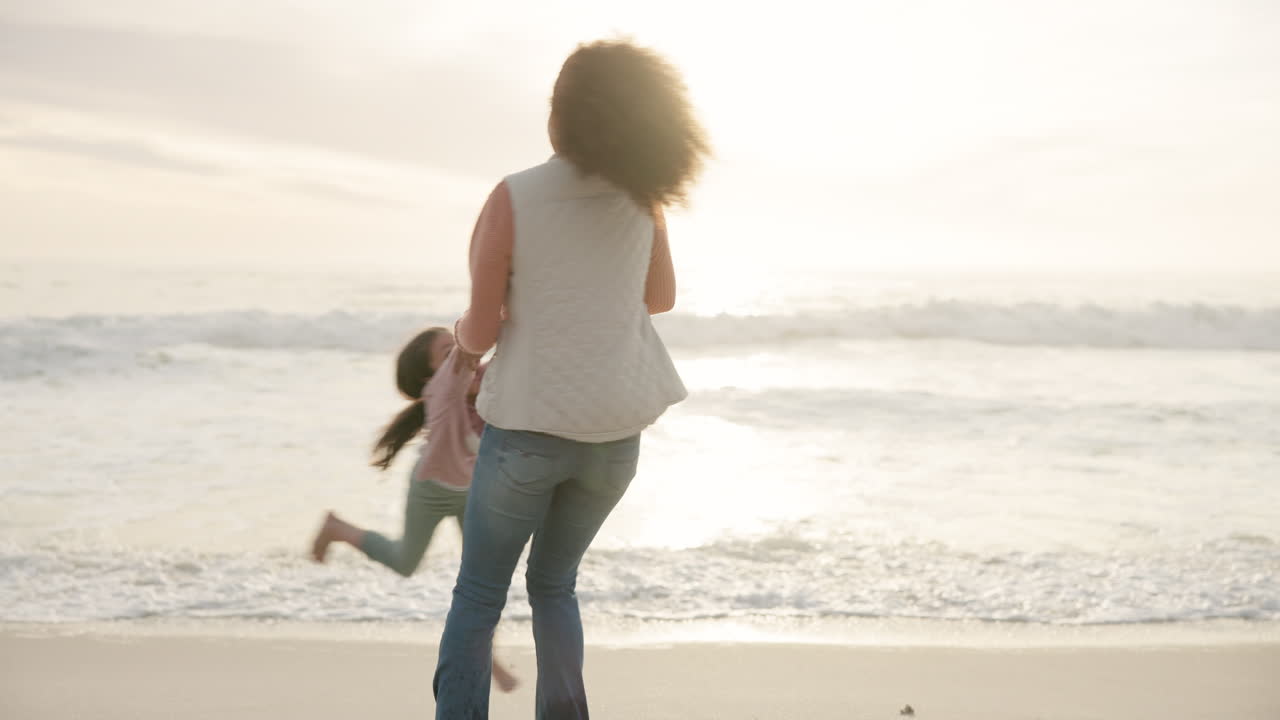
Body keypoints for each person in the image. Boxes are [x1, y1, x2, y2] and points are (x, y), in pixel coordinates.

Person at [432, 39, 709, 719]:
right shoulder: (644, 200)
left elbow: (482, 328)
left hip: (527, 430)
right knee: (555, 585)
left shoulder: (515, 196)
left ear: (561, 118)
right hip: (614, 439)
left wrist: (462, 357)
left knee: (479, 595)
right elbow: (661, 294)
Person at [309, 326, 518, 693]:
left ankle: (489, 654)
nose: (465, 356)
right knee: (406, 561)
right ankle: (337, 528)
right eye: (449, 353)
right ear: (432, 377)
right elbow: (467, 357)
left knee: (484, 578)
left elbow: (509, 356)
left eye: (458, 349)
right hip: (431, 491)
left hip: (470, 493)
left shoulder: (484, 386)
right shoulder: (442, 393)